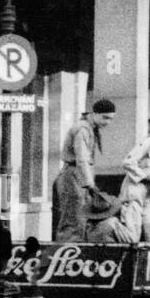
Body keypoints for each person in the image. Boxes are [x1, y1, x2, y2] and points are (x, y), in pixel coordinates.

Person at [53, 99, 116, 242]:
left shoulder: (89, 128)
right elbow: (81, 159)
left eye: (111, 119)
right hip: (74, 176)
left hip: (78, 176)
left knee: (80, 219)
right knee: (72, 220)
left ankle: (72, 254)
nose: (108, 122)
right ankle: (66, 257)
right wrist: (89, 183)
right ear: (94, 114)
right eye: (105, 117)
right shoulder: (83, 129)